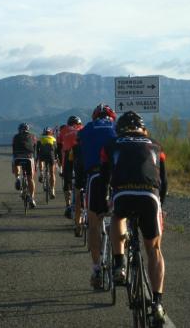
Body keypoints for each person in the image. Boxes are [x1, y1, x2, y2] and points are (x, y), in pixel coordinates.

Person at [99, 111, 168, 323]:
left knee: (118, 217)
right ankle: (157, 303)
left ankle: (119, 264)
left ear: (120, 129)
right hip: (150, 196)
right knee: (154, 249)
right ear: (143, 129)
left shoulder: (112, 144)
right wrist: (160, 205)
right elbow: (163, 181)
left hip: (123, 193)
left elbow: (104, 177)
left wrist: (104, 202)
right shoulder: (156, 145)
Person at [77, 104, 117, 288]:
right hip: (118, 178)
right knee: (121, 220)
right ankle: (121, 263)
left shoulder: (86, 130)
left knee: (93, 226)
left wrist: (78, 185)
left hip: (95, 177)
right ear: (112, 117)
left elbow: (78, 158)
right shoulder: (119, 129)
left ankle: (96, 270)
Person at [57, 116, 83, 218]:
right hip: (82, 155)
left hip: (68, 156)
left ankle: (68, 205)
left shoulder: (63, 130)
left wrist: (59, 162)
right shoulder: (83, 128)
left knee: (67, 181)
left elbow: (59, 148)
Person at [12, 123, 37, 208]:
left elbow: (13, 149)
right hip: (29, 158)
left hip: (18, 158)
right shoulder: (33, 136)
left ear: (19, 130)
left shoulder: (15, 137)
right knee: (30, 178)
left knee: (14, 160)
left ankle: (17, 177)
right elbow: (34, 148)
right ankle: (32, 198)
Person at [36, 127, 58, 199]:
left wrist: (37, 158)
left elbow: (37, 149)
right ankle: (52, 190)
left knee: (40, 158)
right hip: (51, 156)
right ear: (51, 133)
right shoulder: (53, 139)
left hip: (42, 155)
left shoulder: (40, 138)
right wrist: (56, 159)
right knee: (52, 173)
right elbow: (56, 150)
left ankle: (41, 172)